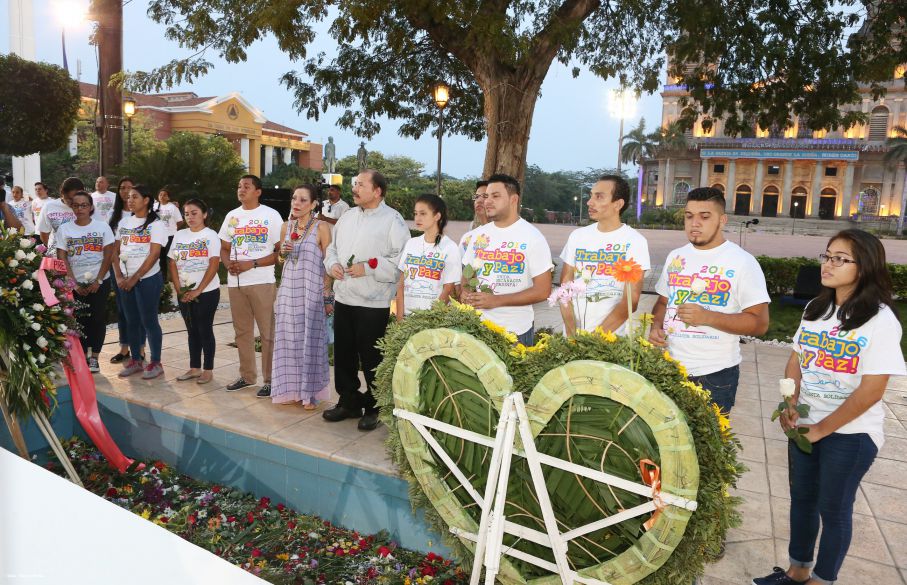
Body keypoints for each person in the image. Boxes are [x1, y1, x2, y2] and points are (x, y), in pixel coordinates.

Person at [753, 230, 905, 585]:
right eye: (827, 255)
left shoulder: (880, 320)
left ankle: (823, 580)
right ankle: (797, 571)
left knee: (833, 510)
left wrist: (822, 429)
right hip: (806, 425)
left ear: (864, 266)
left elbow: (871, 391)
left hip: (852, 434)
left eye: (841, 258)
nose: (829, 264)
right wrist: (791, 404)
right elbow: (796, 361)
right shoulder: (816, 308)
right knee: (802, 500)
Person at [649, 187, 770, 414]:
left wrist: (707, 317)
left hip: (714, 375)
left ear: (722, 220)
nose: (695, 223)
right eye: (689, 216)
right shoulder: (676, 256)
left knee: (705, 448)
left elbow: (760, 323)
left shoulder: (742, 262)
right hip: (669, 367)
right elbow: (663, 303)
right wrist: (656, 326)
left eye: (705, 217)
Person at [323, 169, 410, 430]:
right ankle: (348, 400)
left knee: (372, 357)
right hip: (345, 297)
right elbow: (332, 250)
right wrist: (333, 265)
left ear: (377, 191)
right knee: (344, 355)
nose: (355, 188)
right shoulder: (347, 217)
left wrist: (369, 267)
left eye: (361, 184)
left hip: (373, 302)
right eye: (355, 184)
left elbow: (400, 260)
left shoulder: (393, 220)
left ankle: (375, 406)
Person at [459, 173, 553, 346]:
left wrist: (496, 301)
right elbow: (467, 275)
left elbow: (543, 290)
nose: (487, 201)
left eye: (495, 196)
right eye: (486, 196)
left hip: (514, 331)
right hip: (477, 328)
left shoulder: (532, 237)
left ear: (513, 200)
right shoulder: (478, 235)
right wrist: (465, 292)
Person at [558, 175, 650, 335]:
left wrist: (594, 340)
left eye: (599, 197)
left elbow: (631, 301)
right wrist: (572, 336)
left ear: (618, 204)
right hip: (573, 341)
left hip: (609, 342)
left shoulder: (634, 241)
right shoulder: (577, 236)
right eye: (591, 195)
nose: (589, 202)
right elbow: (565, 289)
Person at [218, 175, 283, 397]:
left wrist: (252, 263)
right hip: (236, 284)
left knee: (267, 333)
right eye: (239, 186)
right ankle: (247, 376)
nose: (241, 189)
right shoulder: (232, 216)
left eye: (246, 186)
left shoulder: (270, 216)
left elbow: (279, 252)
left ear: (258, 191)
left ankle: (271, 380)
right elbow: (224, 247)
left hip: (262, 282)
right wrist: (228, 265)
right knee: (242, 332)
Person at [271, 185, 333, 408]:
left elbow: (329, 262)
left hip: (312, 291)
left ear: (314, 204)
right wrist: (283, 254)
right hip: (289, 291)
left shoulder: (322, 227)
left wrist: (327, 294)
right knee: (289, 340)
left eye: (303, 200)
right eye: (294, 199)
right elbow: (281, 260)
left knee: (311, 342)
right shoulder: (286, 227)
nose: (296, 203)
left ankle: (310, 393)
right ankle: (291, 389)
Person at [56, 191, 115, 373]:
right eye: (76, 205)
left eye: (84, 205)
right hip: (76, 283)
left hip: (100, 281)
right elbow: (62, 257)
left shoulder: (102, 227)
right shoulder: (64, 229)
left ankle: (95, 358)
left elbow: (108, 255)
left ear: (90, 208)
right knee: (79, 320)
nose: (80, 209)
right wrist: (72, 283)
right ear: (71, 207)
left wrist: (98, 280)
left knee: (96, 319)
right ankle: (81, 355)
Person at [113, 184, 168, 380]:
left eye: (134, 196)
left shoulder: (156, 224)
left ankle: (156, 362)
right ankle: (136, 360)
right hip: (126, 280)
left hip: (148, 279)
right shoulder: (124, 223)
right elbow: (114, 251)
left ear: (146, 200)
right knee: (131, 321)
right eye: (128, 197)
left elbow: (154, 255)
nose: (130, 200)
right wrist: (119, 276)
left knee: (149, 321)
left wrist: (135, 278)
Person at [168, 198, 221, 385]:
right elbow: (172, 262)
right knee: (191, 330)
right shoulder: (179, 235)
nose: (190, 217)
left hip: (207, 292)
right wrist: (179, 288)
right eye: (186, 213)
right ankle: (194, 368)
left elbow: (214, 264)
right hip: (185, 292)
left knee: (204, 329)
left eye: (194, 213)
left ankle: (208, 370)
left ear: (204, 214)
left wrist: (199, 290)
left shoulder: (210, 235)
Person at [396, 194, 461, 320]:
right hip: (406, 319)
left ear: (437, 216)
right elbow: (401, 285)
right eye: (415, 213)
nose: (417, 218)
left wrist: (429, 321)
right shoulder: (411, 243)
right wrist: (399, 318)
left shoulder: (450, 247)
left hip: (432, 320)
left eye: (423, 213)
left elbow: (448, 290)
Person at [108, 177, 140, 364]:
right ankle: (124, 347)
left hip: (138, 269)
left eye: (130, 188)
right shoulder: (113, 215)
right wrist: (116, 269)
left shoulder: (144, 216)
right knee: (122, 310)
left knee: (139, 310)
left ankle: (140, 349)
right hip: (117, 268)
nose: (125, 191)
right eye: (122, 188)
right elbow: (111, 245)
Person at [37, 177, 81, 253]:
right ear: (62, 194)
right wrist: (52, 248)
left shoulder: (89, 207)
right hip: (56, 256)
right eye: (69, 199)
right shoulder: (49, 206)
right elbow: (43, 233)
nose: (72, 202)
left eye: (75, 198)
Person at [154, 187, 184, 274]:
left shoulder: (173, 207)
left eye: (165, 195)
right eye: (160, 195)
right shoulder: (154, 206)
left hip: (170, 236)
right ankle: (164, 278)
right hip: (158, 237)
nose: (162, 196)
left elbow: (180, 221)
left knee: (172, 257)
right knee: (160, 258)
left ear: (168, 197)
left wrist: (173, 229)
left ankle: (178, 275)